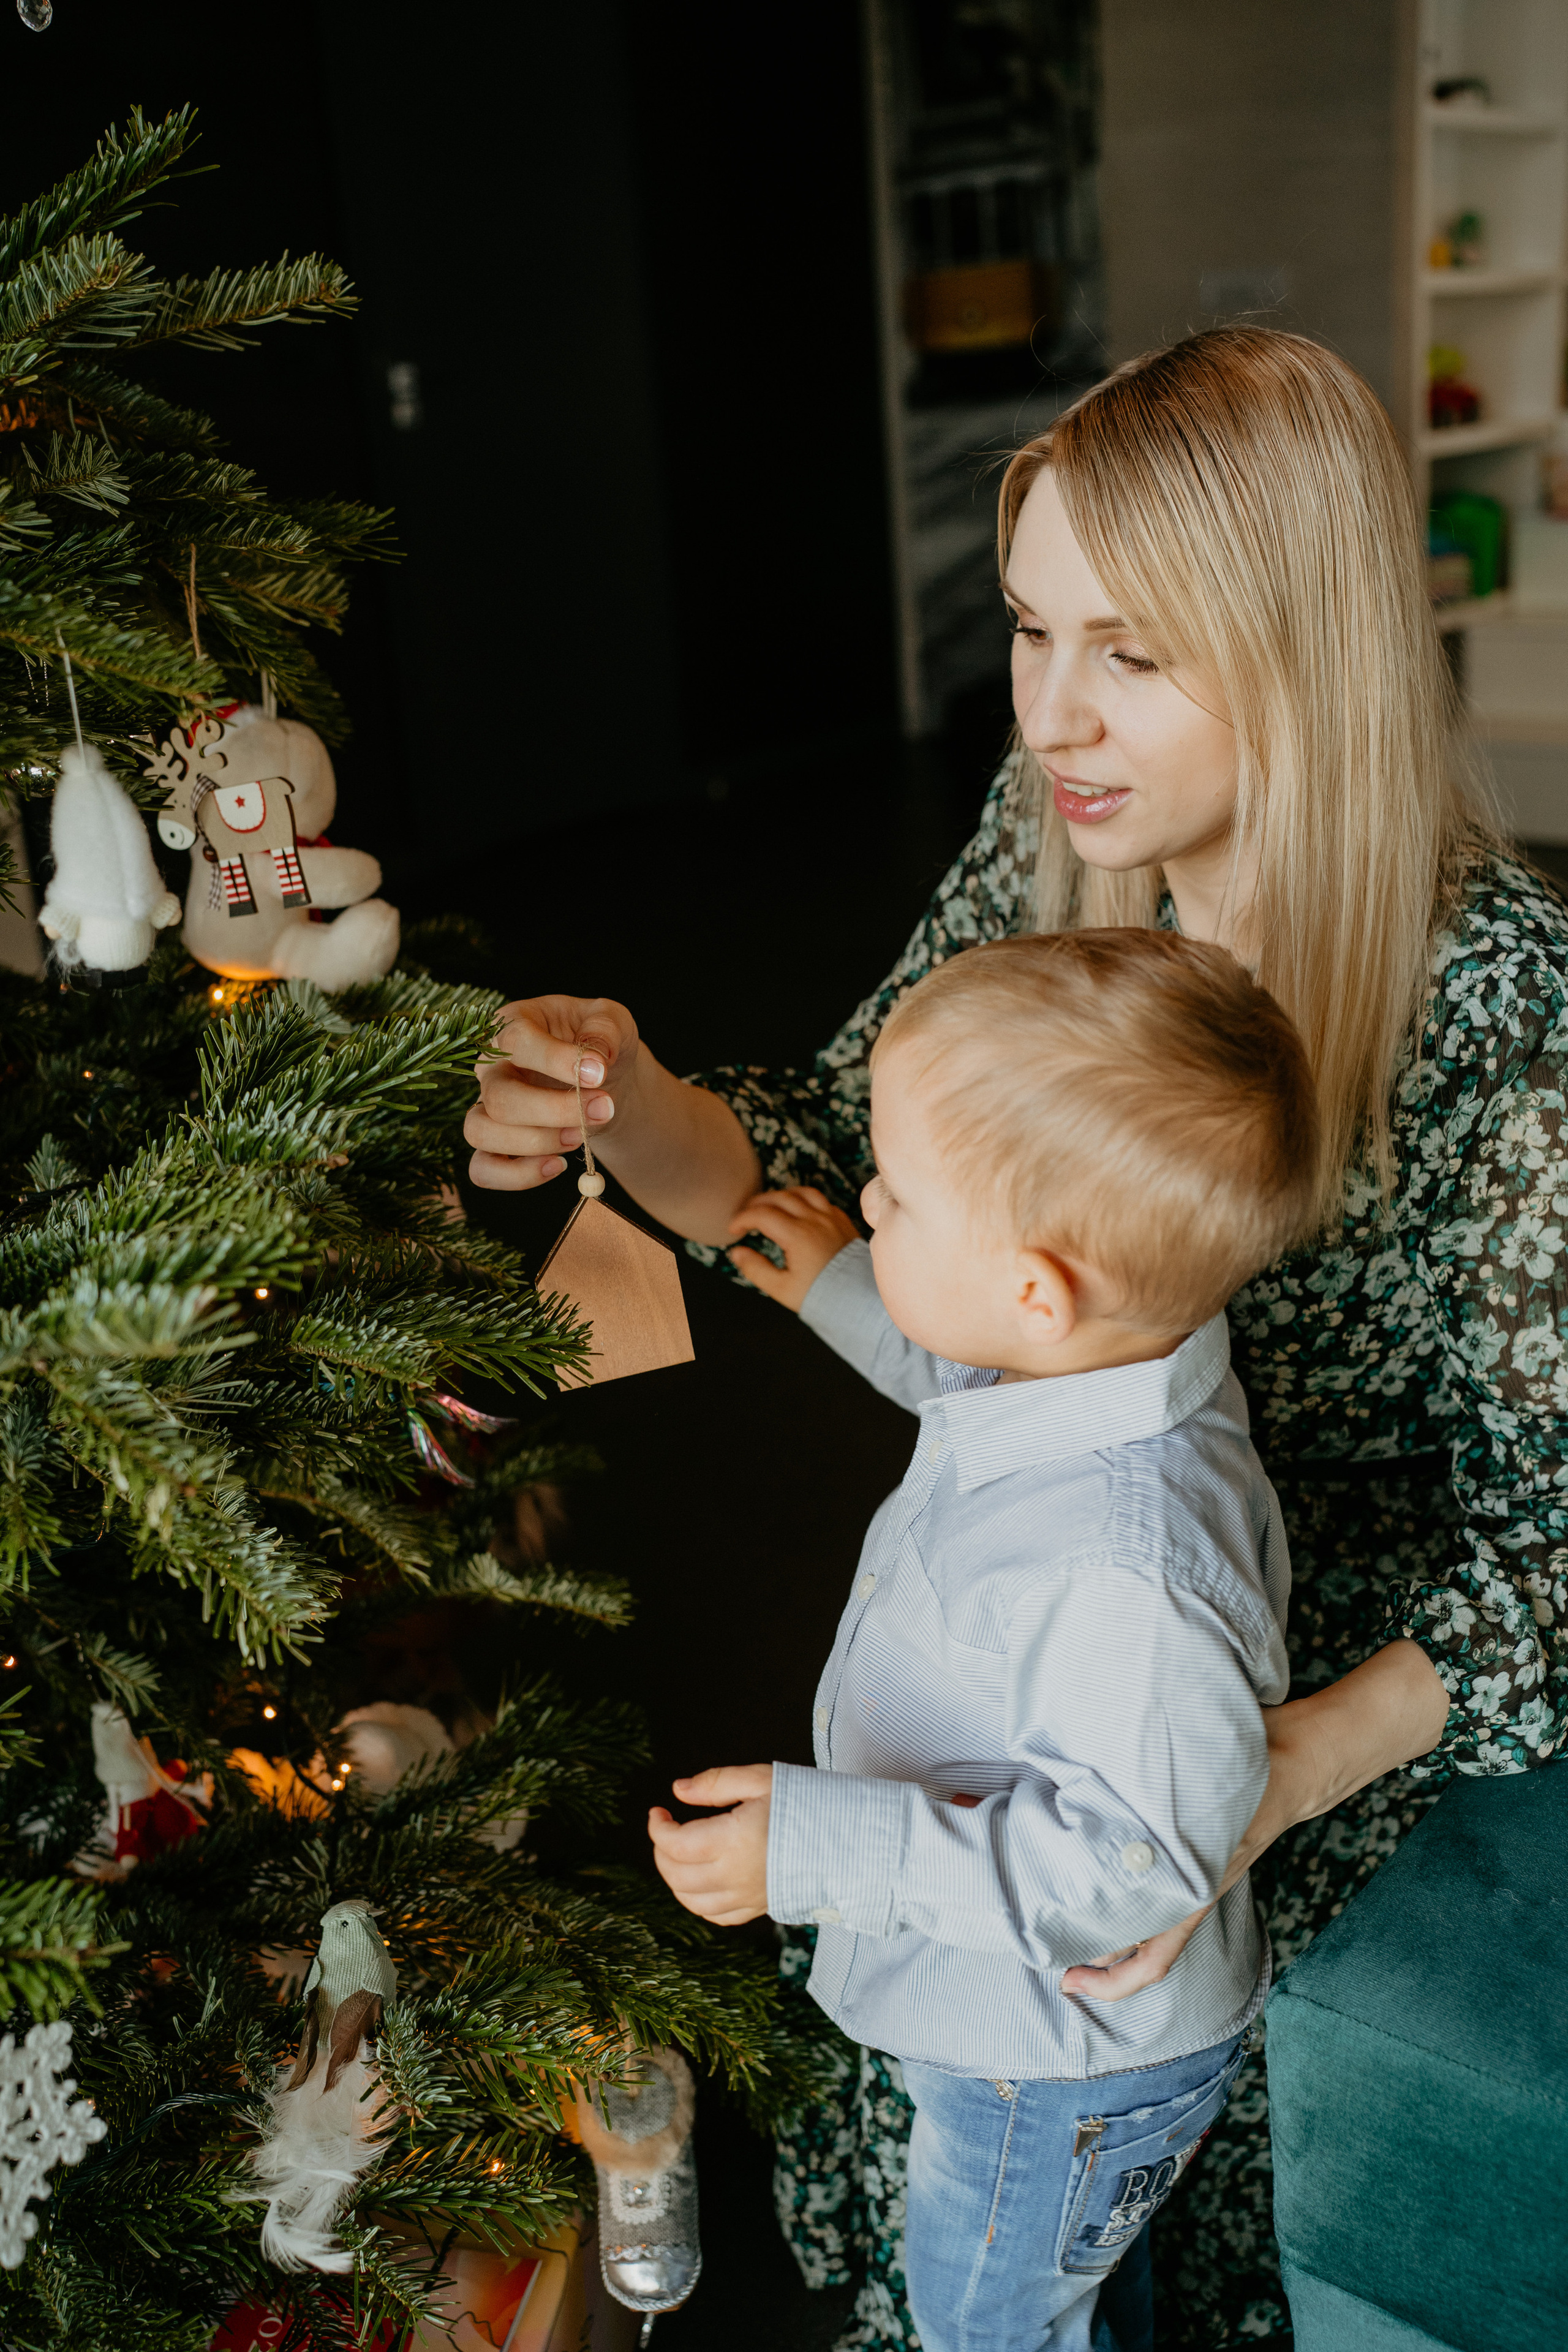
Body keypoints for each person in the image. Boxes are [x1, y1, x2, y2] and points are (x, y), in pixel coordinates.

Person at [464, 328, 1568, 2346]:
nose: (1049, 715)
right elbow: (846, 1172)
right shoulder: (1068, 830)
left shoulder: (1513, 1021)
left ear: (1303, 652)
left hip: (1255, 1730)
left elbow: (1557, 1560)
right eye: (1033, 631)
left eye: (1127, 653)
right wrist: (634, 1113)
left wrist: (1273, 1773)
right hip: (1018, 1624)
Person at [646, 926, 1319, 2352]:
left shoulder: (1129, 1576)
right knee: (1075, 2296)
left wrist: (818, 1852)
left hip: (1053, 2065)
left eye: (897, 1197)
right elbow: (981, 1385)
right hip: (1035, 2039)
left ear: (1034, 1289)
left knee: (986, 2321)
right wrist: (843, 1282)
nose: (868, 1198)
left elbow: (1127, 1866)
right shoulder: (1117, 1359)